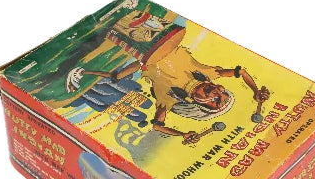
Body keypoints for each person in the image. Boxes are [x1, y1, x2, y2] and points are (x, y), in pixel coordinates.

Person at [66, 44, 270, 144]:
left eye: (216, 102)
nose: (217, 93)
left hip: (144, 60)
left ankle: (81, 73)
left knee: (117, 77)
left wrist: (183, 134)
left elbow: (156, 125)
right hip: (165, 42)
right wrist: (255, 91)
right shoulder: (209, 73)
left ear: (200, 105)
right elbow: (241, 72)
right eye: (223, 93)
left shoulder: (168, 98)